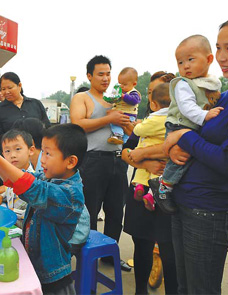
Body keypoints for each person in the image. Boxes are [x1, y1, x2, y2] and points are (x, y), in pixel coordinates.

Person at [163, 12, 228, 294]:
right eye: (218, 47)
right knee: (184, 288)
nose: (221, 56)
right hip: (187, 202)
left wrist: (184, 135)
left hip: (208, 210)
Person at [0, 123, 87, 294]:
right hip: (36, 265)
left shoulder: (69, 194)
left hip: (53, 277)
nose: (43, 159)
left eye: (48, 153)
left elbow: (29, 187)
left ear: (70, 161)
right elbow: (13, 181)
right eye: (43, 152)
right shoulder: (49, 178)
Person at [149, 35, 224, 215]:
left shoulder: (211, 83)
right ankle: (163, 186)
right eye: (180, 62)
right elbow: (187, 107)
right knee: (180, 159)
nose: (186, 66)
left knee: (190, 157)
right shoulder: (183, 84)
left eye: (191, 60)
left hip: (194, 126)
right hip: (180, 125)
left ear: (208, 59)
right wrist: (205, 116)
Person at [70, 55, 132, 271]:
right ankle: (86, 258)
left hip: (117, 161)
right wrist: (109, 118)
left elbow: (126, 129)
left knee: (116, 212)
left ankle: (108, 254)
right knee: (90, 211)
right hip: (93, 161)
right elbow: (77, 124)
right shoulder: (83, 98)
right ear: (90, 76)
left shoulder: (114, 101)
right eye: (100, 74)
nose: (105, 78)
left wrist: (127, 124)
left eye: (108, 74)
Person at [123, 71, 178, 295]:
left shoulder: (179, 122)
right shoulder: (149, 121)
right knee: (142, 243)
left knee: (169, 248)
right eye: (149, 92)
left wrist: (146, 155)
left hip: (168, 192)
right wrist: (146, 165)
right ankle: (140, 290)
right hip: (142, 188)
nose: (151, 97)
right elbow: (126, 153)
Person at [0, 129, 35, 226]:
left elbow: (32, 214)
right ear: (3, 154)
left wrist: (9, 211)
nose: (12, 155)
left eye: (18, 149)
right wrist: (0, 196)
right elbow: (10, 189)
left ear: (31, 150)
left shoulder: (34, 180)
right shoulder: (10, 177)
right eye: (7, 151)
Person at [129, 83, 170, 211]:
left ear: (154, 104)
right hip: (163, 157)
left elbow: (140, 131)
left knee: (144, 171)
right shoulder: (173, 118)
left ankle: (139, 186)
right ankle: (151, 195)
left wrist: (137, 125)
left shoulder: (155, 119)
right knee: (157, 178)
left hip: (146, 148)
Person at [0, 72, 51, 152]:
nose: (6, 92)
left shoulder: (35, 104)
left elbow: (47, 128)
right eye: (3, 89)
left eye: (10, 88)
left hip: (38, 153)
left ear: (19, 86)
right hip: (13, 156)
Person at [107, 67, 142, 145]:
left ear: (134, 84)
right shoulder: (120, 92)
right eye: (120, 83)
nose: (121, 86)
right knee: (116, 122)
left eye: (124, 84)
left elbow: (134, 101)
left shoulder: (133, 93)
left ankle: (117, 134)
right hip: (121, 113)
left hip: (128, 115)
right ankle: (125, 142)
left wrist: (123, 96)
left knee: (115, 122)